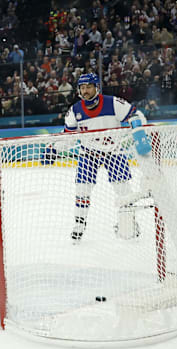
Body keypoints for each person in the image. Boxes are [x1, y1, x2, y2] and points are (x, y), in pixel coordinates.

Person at [63, 72, 147, 241]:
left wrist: (137, 126)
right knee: (82, 190)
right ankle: (79, 225)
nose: (85, 91)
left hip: (113, 152)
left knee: (124, 191)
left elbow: (137, 115)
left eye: (88, 87)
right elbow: (68, 137)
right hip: (88, 154)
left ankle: (128, 223)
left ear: (97, 88)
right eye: (82, 88)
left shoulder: (113, 103)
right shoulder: (74, 110)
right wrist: (54, 148)